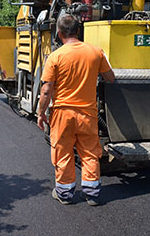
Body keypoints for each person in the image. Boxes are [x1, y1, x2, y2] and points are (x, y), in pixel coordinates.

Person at [38, 14, 115, 206]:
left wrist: (40, 114)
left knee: (63, 153)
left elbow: (46, 90)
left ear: (59, 33)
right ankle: (92, 194)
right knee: (90, 153)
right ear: (78, 31)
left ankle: (64, 194)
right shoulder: (96, 52)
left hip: (62, 114)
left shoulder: (55, 56)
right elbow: (110, 77)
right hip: (88, 114)